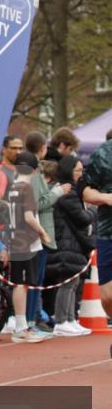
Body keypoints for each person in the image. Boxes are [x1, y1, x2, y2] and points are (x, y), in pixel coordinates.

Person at [23, 133, 70, 331]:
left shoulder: (35, 170)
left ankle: (32, 319)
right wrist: (57, 192)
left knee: (37, 279)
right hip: (38, 233)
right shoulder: (34, 173)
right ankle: (30, 321)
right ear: (42, 147)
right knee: (34, 280)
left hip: (39, 232)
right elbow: (37, 204)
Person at [5, 154, 50, 343]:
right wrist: (43, 232)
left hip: (16, 239)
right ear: (34, 170)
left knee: (20, 283)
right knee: (22, 284)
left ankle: (21, 325)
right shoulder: (27, 188)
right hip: (26, 241)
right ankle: (21, 328)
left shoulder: (13, 187)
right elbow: (29, 217)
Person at [52, 155, 94, 335]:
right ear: (69, 171)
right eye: (77, 170)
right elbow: (82, 218)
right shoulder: (67, 191)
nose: (81, 174)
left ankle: (70, 318)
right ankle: (61, 320)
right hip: (66, 240)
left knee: (74, 281)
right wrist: (93, 212)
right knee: (67, 282)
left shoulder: (72, 190)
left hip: (72, 240)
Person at [80, 135, 112, 319]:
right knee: (108, 297)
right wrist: (105, 197)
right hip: (108, 232)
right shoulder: (104, 153)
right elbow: (85, 190)